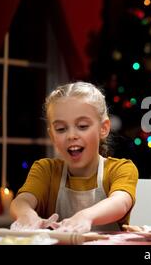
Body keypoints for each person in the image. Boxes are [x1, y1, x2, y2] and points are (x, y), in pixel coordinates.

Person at [10, 82, 138, 233]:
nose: (71, 136)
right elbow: (21, 201)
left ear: (103, 128)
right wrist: (27, 215)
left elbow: (120, 203)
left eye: (82, 126)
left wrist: (85, 216)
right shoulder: (46, 170)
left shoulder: (120, 169)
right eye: (61, 129)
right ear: (52, 135)